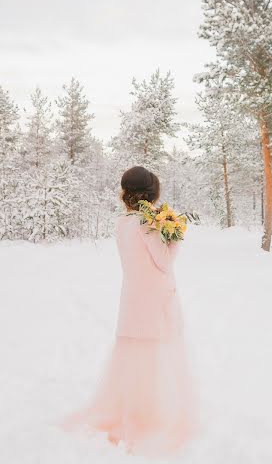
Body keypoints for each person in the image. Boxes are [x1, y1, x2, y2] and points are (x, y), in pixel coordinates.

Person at [60, 166, 200, 455]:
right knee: (156, 362)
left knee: (133, 363)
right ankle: (151, 417)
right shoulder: (147, 223)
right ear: (152, 194)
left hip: (133, 301)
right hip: (155, 300)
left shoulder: (122, 222)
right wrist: (173, 239)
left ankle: (132, 411)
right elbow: (163, 261)